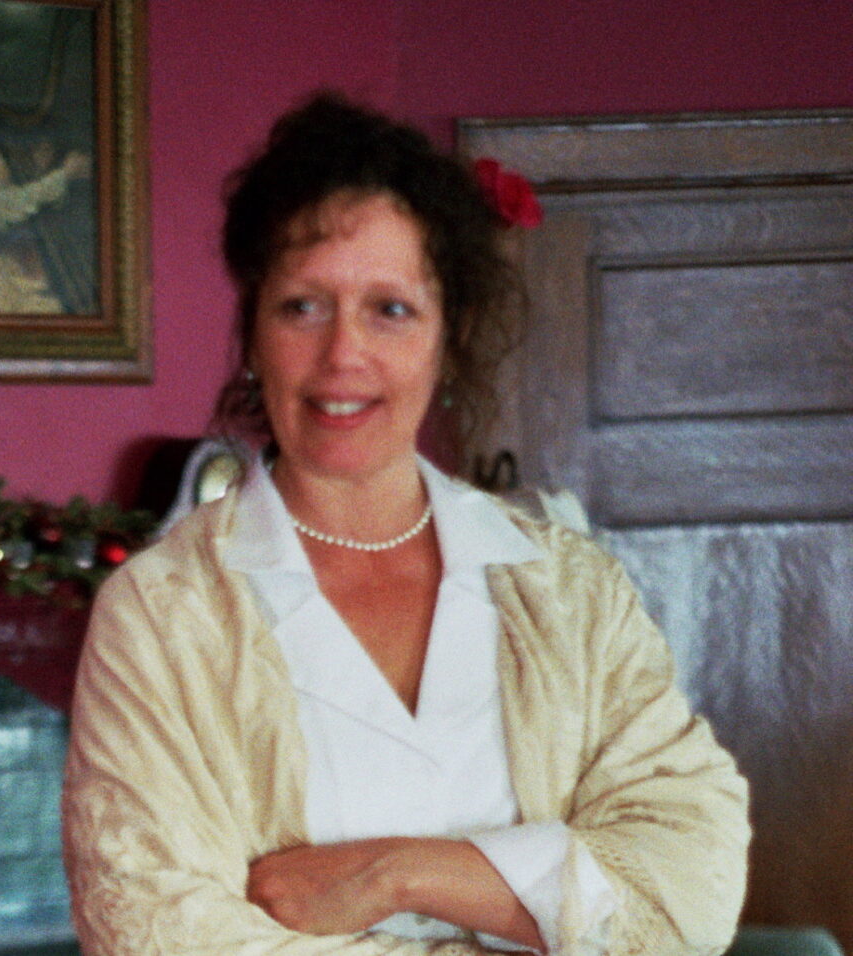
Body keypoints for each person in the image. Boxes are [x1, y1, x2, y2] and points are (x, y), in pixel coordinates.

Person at [62, 94, 750, 956]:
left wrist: (398, 873)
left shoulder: (570, 590)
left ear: (447, 337)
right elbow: (155, 935)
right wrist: (532, 910)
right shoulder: (161, 613)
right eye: (303, 306)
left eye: (390, 309)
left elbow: (690, 889)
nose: (343, 355)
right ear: (254, 333)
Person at [0, 72, 91, 313]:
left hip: (9, 261)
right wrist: (62, 176)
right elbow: (5, 208)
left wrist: (42, 172)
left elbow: (14, 195)